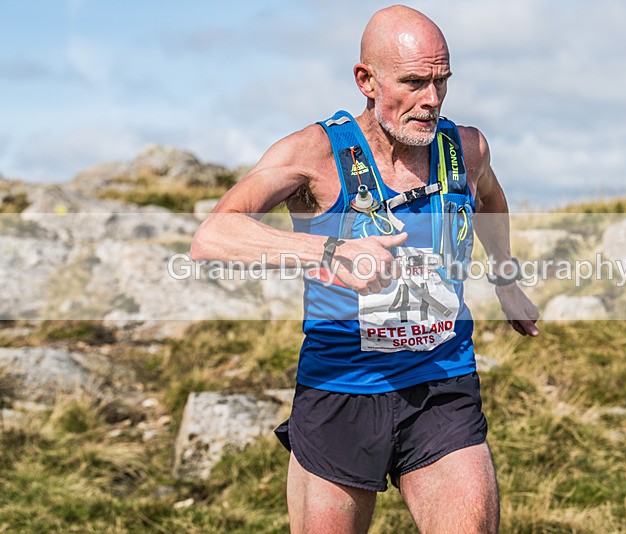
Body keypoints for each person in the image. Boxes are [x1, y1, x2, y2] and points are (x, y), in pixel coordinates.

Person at [191, 5, 539, 533]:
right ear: (366, 80)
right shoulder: (313, 153)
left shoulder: (466, 148)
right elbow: (213, 235)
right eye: (415, 82)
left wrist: (507, 279)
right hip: (340, 390)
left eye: (441, 82)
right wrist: (329, 254)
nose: (432, 101)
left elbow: (489, 197)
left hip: (441, 385)